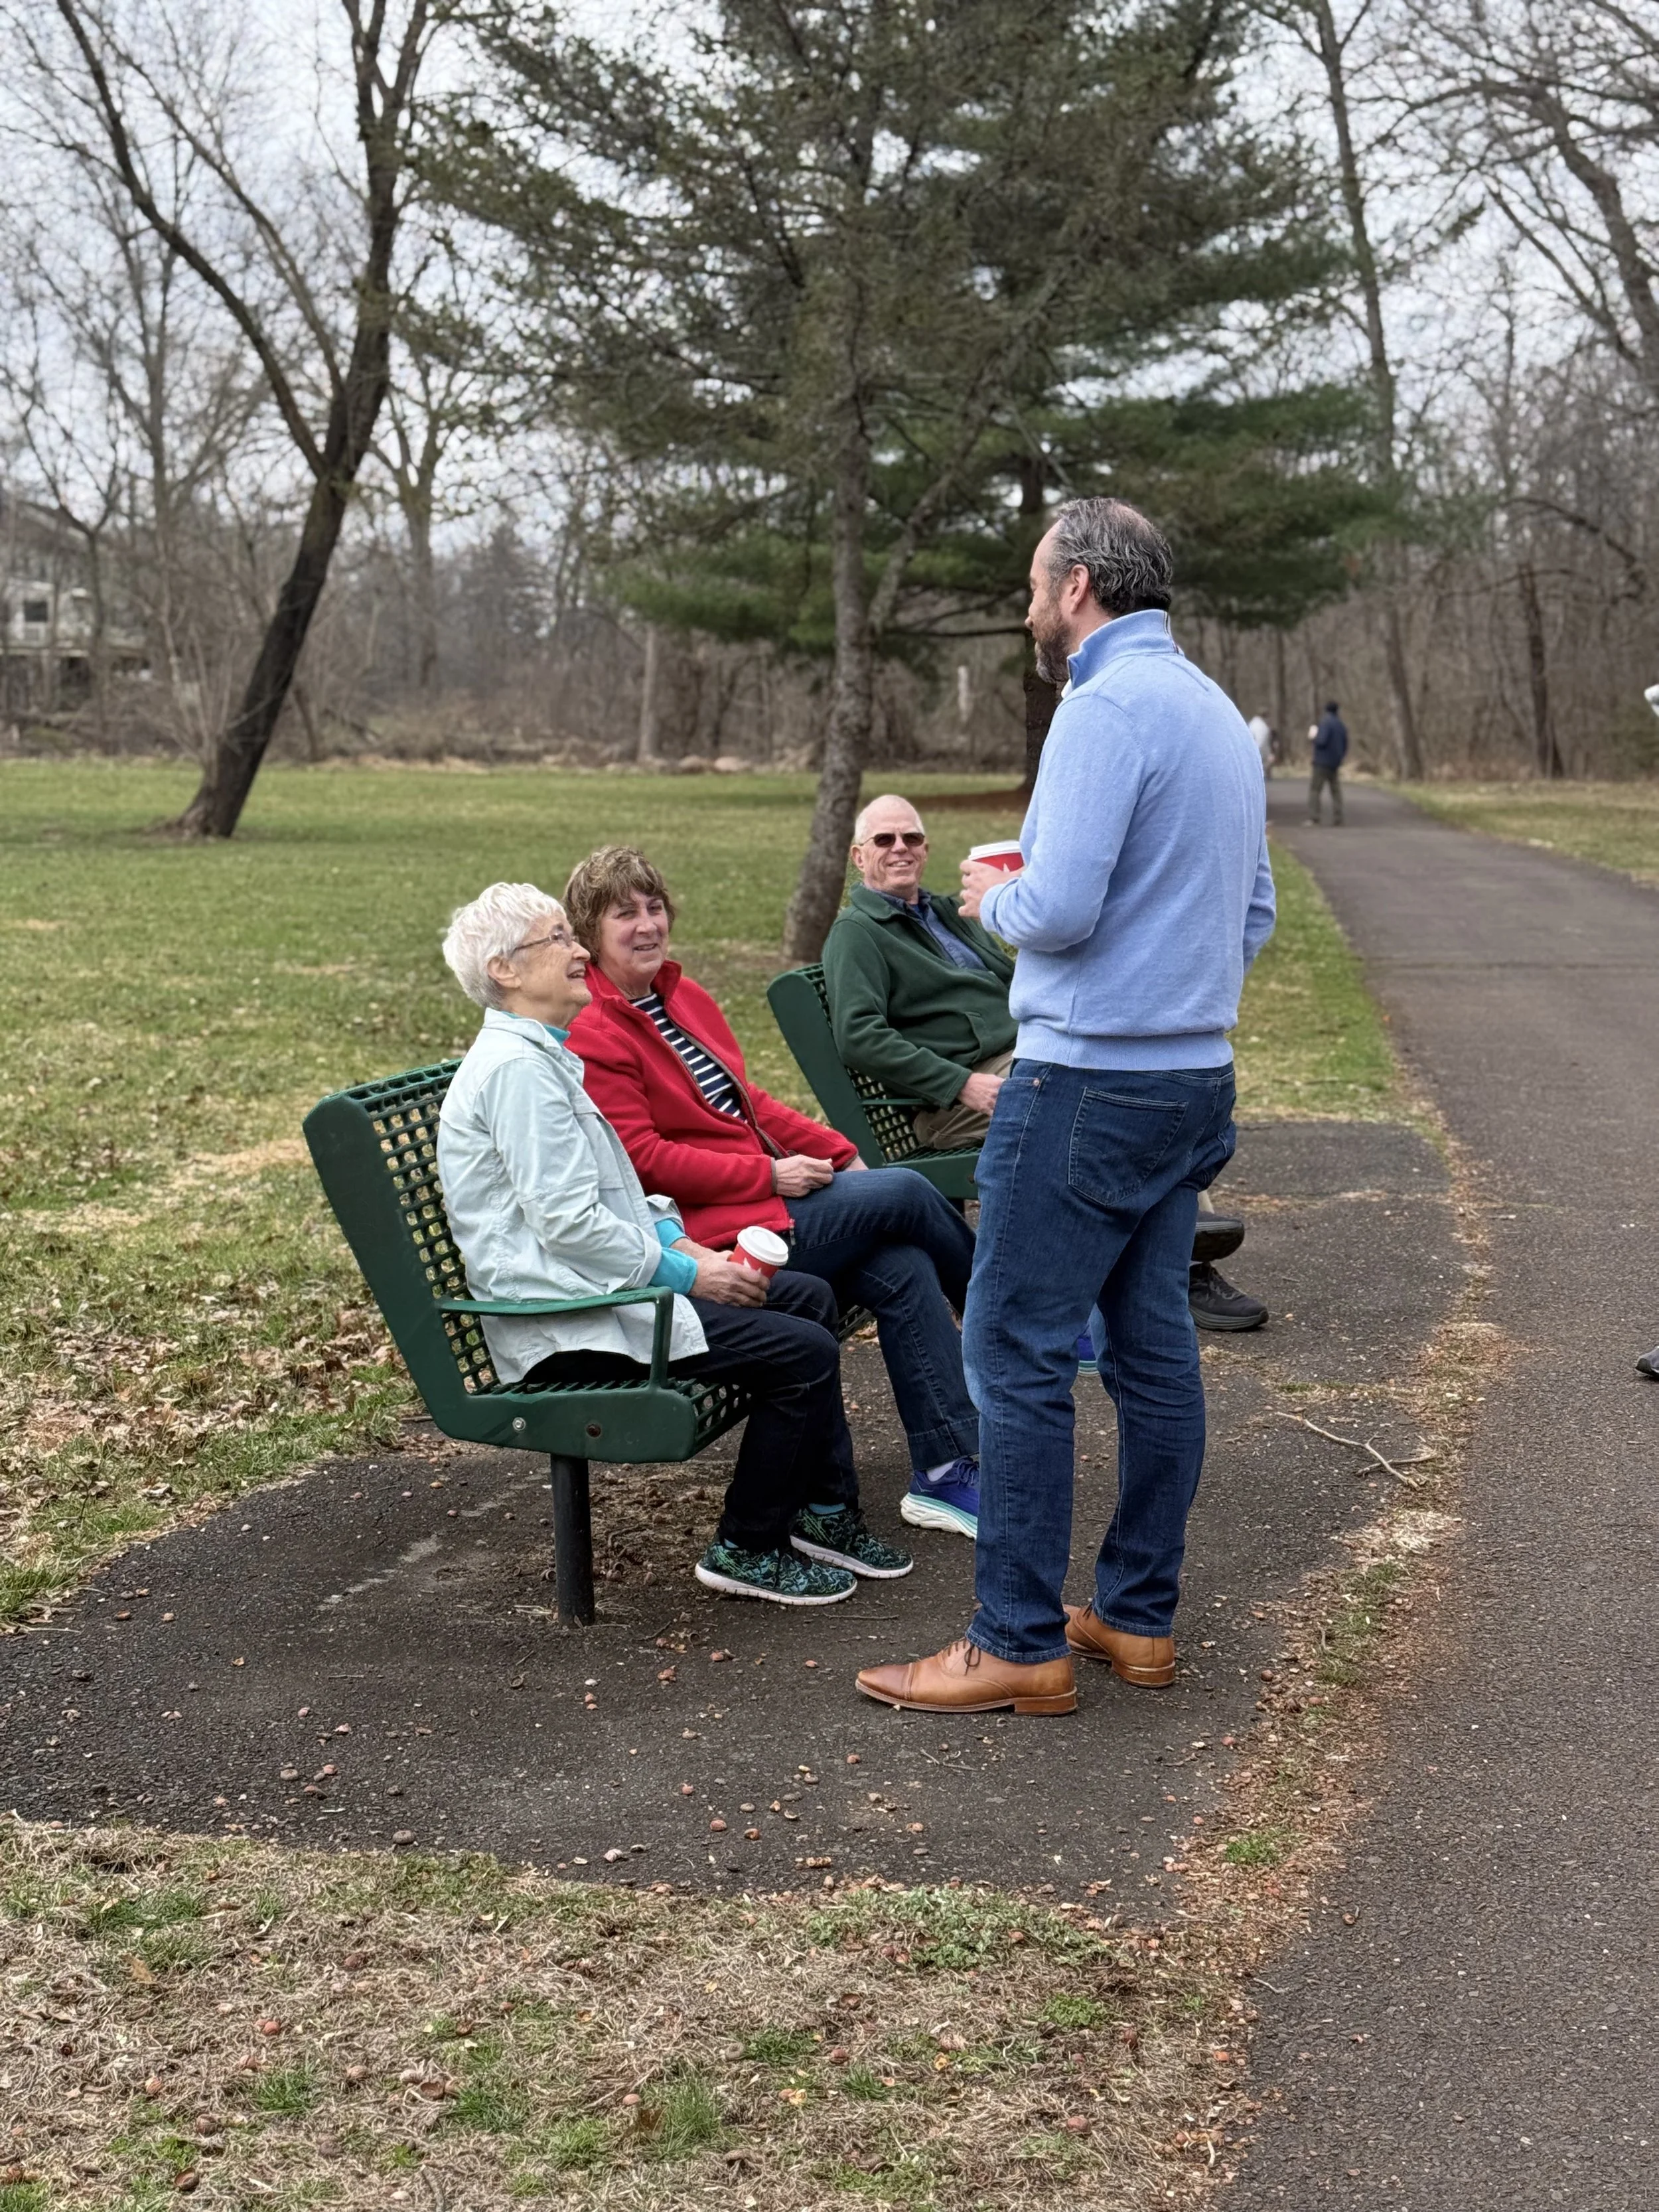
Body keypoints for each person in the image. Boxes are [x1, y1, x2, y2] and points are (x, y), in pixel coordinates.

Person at [857, 496, 1274, 1718]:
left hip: (1088, 1079)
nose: (1030, 608)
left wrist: (995, 896)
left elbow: (1066, 907)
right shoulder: (1210, 712)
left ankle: (1016, 1638)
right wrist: (1174, 982)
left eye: (1038, 585)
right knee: (1151, 1347)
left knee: (1012, 1349)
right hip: (1191, 1079)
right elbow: (1250, 914)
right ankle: (1138, 1620)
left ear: (1082, 585)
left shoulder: (1100, 705)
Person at [435, 880, 912, 1607]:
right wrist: (688, 1275)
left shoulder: (548, 1055)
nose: (575, 950)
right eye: (557, 938)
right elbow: (569, 1226)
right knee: (802, 1352)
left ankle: (826, 1512)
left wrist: (684, 1246)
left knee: (809, 1297)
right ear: (504, 970)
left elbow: (617, 1192)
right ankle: (747, 1545)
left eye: (569, 935)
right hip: (564, 1317)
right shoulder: (517, 1074)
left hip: (605, 1283)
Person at [563, 846, 983, 1542]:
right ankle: (1005, 1315)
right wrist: (771, 1175)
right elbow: (640, 1160)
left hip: (770, 1205)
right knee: (907, 1190)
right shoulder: (594, 1029)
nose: (646, 925)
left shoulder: (682, 997)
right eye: (623, 913)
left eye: (654, 906)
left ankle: (944, 1472)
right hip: (724, 1231)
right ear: (588, 933)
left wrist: (838, 1152)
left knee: (904, 1266)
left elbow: (746, 1104)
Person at [822, 790, 1267, 1333]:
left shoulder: (942, 913)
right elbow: (858, 1036)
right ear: (858, 855)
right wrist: (960, 1082)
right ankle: (1186, 1263)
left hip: (1024, 1053)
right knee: (1102, 1097)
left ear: (926, 847)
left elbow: (1010, 979)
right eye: (884, 840)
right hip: (966, 1092)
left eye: (911, 838)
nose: (900, 849)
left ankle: (1174, 1253)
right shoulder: (858, 933)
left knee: (1131, 1075)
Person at [1309, 701, 1348, 824]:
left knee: (1315, 790)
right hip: (1335, 763)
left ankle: (1314, 817)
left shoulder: (1325, 723)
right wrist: (1340, 758)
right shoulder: (1341, 725)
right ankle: (1339, 818)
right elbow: (1346, 744)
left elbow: (1322, 741)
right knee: (1336, 791)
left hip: (1321, 763)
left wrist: (1313, 737)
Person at [1248, 712, 1275, 780]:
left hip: (1256, 747)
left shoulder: (1252, 724)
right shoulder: (1264, 726)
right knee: (1264, 763)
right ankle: (1263, 774)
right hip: (1263, 748)